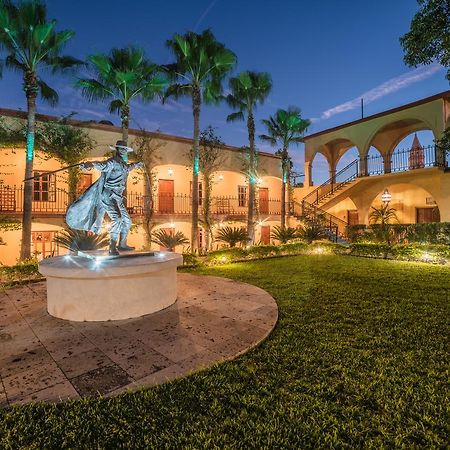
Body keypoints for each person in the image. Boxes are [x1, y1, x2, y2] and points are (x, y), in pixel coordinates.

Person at [66, 140, 143, 255]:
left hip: (117, 197)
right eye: (121, 149)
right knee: (117, 219)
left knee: (127, 221)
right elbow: (102, 165)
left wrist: (137, 165)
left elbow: (128, 168)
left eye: (125, 149)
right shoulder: (112, 162)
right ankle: (112, 247)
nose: (123, 151)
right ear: (116, 150)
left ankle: (122, 245)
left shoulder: (123, 164)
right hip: (108, 195)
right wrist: (90, 164)